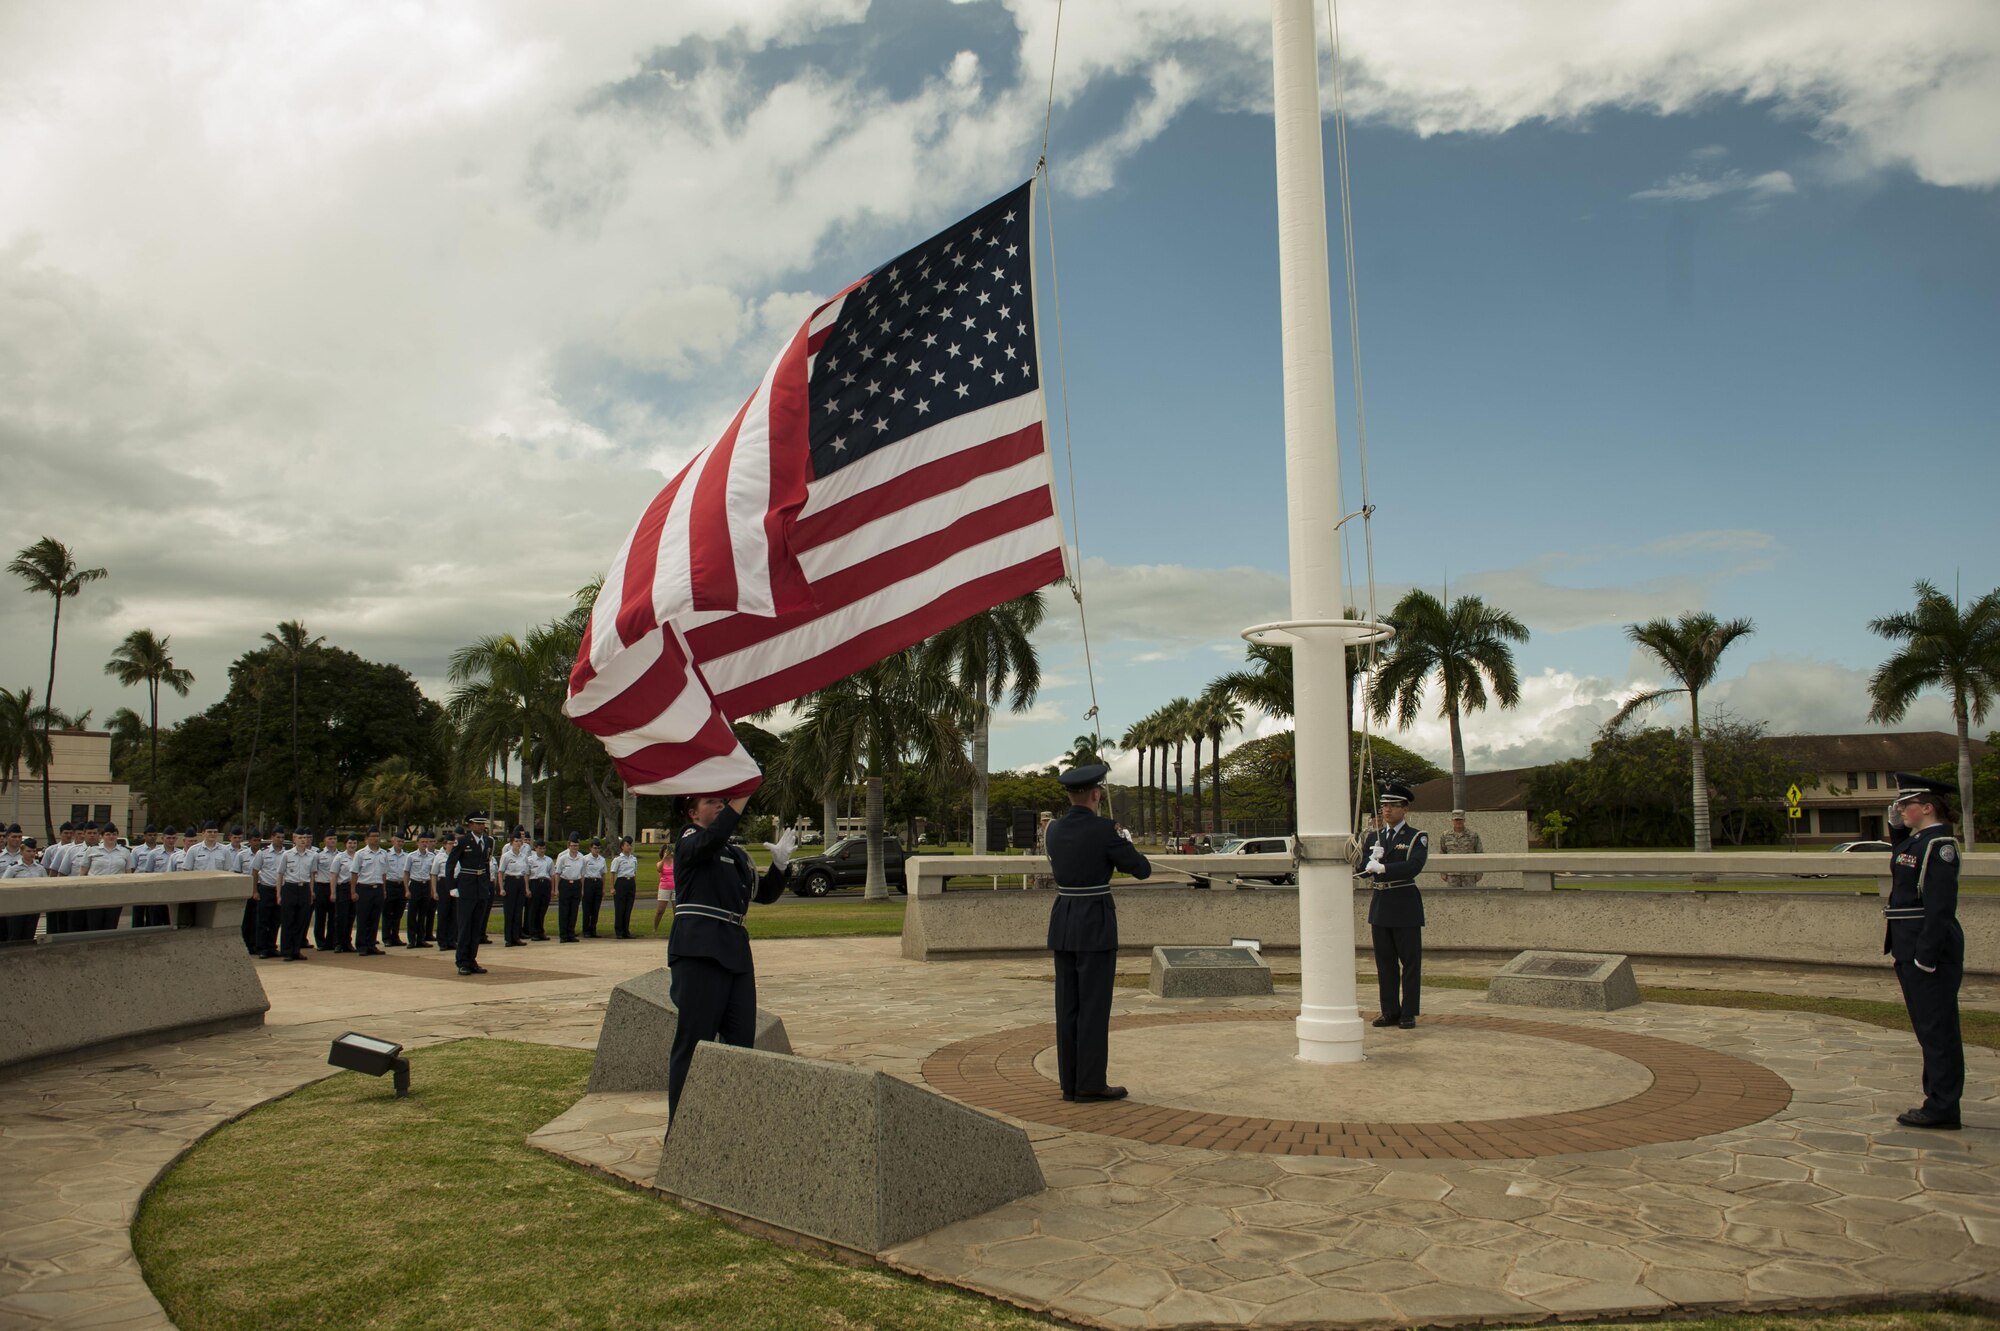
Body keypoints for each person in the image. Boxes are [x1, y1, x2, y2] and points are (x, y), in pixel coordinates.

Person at [663, 795, 795, 1125]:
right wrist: (739, 803)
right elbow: (710, 839)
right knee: (694, 1043)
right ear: (692, 812)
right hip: (700, 951)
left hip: (735, 952)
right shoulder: (690, 839)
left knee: (740, 1043)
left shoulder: (733, 853)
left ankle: (729, 1127)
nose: (721, 805)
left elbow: (760, 893)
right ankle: (681, 1129)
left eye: (724, 801)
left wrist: (780, 867)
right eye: (711, 802)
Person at [1045, 763, 1151, 1103]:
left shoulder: (1053, 830)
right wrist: (1125, 840)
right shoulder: (1107, 829)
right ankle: (1090, 1083)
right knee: (1093, 1006)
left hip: (1064, 920)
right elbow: (1140, 870)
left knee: (1067, 1006)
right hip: (1094, 922)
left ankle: (1070, 1082)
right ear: (1095, 794)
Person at [1883, 773, 1964, 1130]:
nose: (1901, 810)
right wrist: (1896, 829)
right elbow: (1902, 862)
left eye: (1906, 805)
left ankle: (1943, 1106)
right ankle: (1938, 1100)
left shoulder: (1939, 846)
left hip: (1926, 951)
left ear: (1927, 807)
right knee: (1928, 1029)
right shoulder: (1919, 842)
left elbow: (1940, 908)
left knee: (1938, 1029)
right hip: (1908, 946)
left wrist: (1925, 957)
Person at [1360, 782, 1428, 1029]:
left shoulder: (1416, 837)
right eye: (1384, 806)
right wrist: (1369, 862)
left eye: (1393, 806)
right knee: (1385, 964)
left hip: (1404, 903)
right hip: (1381, 903)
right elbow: (1362, 871)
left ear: (1405, 808)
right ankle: (1389, 1010)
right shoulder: (1374, 837)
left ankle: (1408, 1012)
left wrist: (1385, 867)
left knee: (1409, 963)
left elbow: (1414, 866)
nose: (1387, 810)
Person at [446, 813, 494, 975]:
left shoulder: (487, 841)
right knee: (465, 926)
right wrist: (452, 886)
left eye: (483, 824)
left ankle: (472, 959)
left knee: (476, 927)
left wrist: (486, 885)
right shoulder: (463, 841)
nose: (481, 826)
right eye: (478, 823)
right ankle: (462, 961)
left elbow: (486, 864)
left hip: (480, 887)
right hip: (466, 886)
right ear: (470, 825)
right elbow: (450, 864)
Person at [277, 828, 316, 961]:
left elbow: (312, 875)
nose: (303, 840)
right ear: (294, 839)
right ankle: (286, 951)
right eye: (300, 838)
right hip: (290, 888)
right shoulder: (287, 855)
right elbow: (280, 874)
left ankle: (296, 950)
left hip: (304, 888)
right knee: (288, 921)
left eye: (305, 838)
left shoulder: (312, 855)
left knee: (301, 921)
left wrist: (311, 892)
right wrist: (279, 894)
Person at [351, 828, 388, 956]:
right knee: (363, 918)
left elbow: (384, 873)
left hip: (377, 888)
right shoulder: (360, 854)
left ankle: (371, 944)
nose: (375, 838)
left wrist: (383, 890)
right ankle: (361, 945)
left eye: (377, 836)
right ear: (367, 838)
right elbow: (354, 873)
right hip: (364, 888)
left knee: (375, 918)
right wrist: (353, 891)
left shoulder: (383, 853)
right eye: (373, 836)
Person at [2, 836, 45, 942]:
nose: (31, 854)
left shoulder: (40, 868)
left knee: (29, 936)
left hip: (33, 906)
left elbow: (45, 885)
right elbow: (3, 885)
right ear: (21, 851)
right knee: (14, 936)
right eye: (28, 851)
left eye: (34, 851)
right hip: (16, 907)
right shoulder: (13, 868)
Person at [249, 829, 282, 958]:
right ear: (272, 837)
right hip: (265, 888)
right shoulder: (263, 853)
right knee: (263, 920)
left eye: (282, 837)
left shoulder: (286, 853)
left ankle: (271, 946)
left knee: (275, 920)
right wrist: (254, 891)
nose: (280, 839)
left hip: (279, 890)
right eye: (278, 837)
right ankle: (262, 948)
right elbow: (255, 872)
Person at [498, 828, 531, 946]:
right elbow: (500, 872)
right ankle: (508, 938)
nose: (518, 843)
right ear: (511, 842)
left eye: (519, 841)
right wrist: (501, 888)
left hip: (520, 882)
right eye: (516, 841)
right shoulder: (506, 856)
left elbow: (526, 873)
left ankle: (516, 937)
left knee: (518, 912)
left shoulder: (524, 856)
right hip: (510, 882)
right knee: (509, 912)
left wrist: (527, 888)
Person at [1438, 811, 1484, 887]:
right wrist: (1443, 872)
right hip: (1452, 874)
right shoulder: (1445, 835)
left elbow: (1479, 853)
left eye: (1460, 820)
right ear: (1452, 820)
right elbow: (1442, 853)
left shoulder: (1473, 835)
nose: (1458, 822)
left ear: (1464, 820)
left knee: (1470, 896)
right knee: (1453, 896)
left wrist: (1479, 872)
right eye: (1456, 820)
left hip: (1469, 873)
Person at [405, 830, 435, 948]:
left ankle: (421, 939)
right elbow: (406, 873)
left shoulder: (432, 856)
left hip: (425, 885)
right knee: (412, 914)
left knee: (423, 914)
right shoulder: (411, 856)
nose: (424, 844)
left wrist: (432, 890)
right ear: (417, 843)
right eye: (422, 842)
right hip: (415, 885)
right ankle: (411, 939)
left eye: (426, 842)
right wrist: (407, 889)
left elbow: (433, 874)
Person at [554, 834, 586, 942]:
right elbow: (557, 874)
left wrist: (582, 889)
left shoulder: (582, 858)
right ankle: (563, 935)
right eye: (573, 846)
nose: (575, 848)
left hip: (576, 884)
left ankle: (571, 933)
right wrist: (557, 889)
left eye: (577, 846)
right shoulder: (562, 857)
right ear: (569, 845)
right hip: (565, 884)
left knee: (574, 910)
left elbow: (582, 875)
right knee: (564, 910)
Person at [331, 833, 360, 953]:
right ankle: (338, 943)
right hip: (343, 888)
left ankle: (347, 942)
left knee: (351, 917)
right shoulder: (339, 857)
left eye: (354, 843)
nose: (352, 845)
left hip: (356, 888)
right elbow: (333, 875)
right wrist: (333, 892)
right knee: (341, 917)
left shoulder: (360, 856)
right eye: (350, 843)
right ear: (345, 844)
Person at [309, 830, 337, 951]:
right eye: (330, 838)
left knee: (333, 916)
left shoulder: (340, 855)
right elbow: (313, 873)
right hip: (321, 886)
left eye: (335, 838)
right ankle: (320, 942)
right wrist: (312, 890)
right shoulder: (318, 855)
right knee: (320, 917)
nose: (333, 841)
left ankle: (330, 941)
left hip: (334, 887)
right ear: (325, 840)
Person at [382, 831, 408, 947]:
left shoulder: (406, 856)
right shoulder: (386, 854)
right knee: (388, 912)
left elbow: (407, 873)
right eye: (398, 841)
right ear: (393, 841)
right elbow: (383, 872)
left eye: (402, 841)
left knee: (398, 913)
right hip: (390, 884)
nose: (400, 843)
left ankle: (395, 936)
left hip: (401, 885)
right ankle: (386, 937)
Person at [609, 838, 637, 939]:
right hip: (621, 882)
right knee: (620, 908)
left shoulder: (633, 859)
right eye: (627, 845)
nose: (629, 847)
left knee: (628, 909)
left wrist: (634, 885)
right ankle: (619, 931)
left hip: (630, 883)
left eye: (630, 845)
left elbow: (634, 873)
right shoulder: (618, 859)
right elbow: (612, 874)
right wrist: (612, 888)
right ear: (622, 846)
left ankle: (626, 931)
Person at [527, 837, 554, 941]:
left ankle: (541, 931)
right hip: (535, 883)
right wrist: (527, 888)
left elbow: (552, 875)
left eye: (544, 848)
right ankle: (533, 932)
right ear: (535, 848)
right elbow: (527, 874)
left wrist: (552, 889)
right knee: (534, 909)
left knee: (543, 909)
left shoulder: (549, 860)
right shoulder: (530, 860)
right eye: (540, 848)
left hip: (545, 884)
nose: (542, 850)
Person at [581, 839, 607, 939]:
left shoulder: (602, 859)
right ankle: (586, 930)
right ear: (590, 848)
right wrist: (582, 889)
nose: (597, 850)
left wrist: (603, 888)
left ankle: (593, 930)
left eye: (598, 848)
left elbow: (603, 874)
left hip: (598, 883)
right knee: (587, 908)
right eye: (595, 848)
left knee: (596, 908)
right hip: (588, 882)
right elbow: (582, 874)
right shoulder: (585, 859)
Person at [651, 851, 675, 936]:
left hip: (675, 888)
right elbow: (659, 869)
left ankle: (677, 929)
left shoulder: (675, 861)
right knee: (660, 910)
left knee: (676, 910)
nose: (668, 853)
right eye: (666, 851)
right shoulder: (660, 862)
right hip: (664, 887)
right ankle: (655, 928)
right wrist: (664, 858)